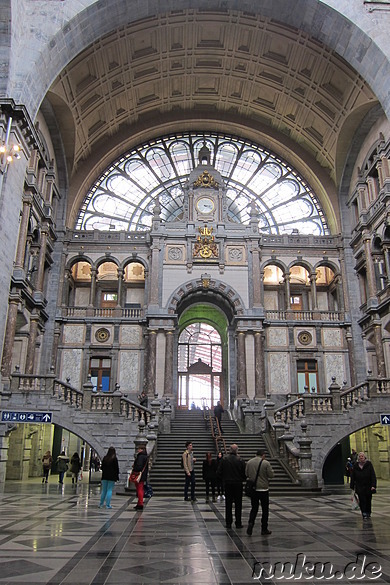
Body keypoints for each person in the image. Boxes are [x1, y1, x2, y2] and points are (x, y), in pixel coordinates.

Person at [245, 449, 274, 536]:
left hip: (253, 489)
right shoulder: (265, 463)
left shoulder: (249, 462)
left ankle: (251, 523)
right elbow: (271, 475)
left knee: (254, 508)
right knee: (265, 509)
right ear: (263, 455)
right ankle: (264, 528)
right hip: (263, 489)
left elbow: (246, 474)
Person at [217, 444, 246, 529]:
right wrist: (241, 479)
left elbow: (219, 472)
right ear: (237, 450)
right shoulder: (240, 460)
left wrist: (224, 478)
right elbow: (244, 473)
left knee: (228, 504)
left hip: (228, 483)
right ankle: (238, 522)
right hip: (238, 484)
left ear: (230, 450)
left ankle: (228, 523)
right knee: (238, 504)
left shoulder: (224, 459)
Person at [350, 451, 376, 519]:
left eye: (362, 456)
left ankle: (368, 512)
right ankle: (363, 512)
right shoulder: (355, 465)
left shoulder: (369, 464)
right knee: (362, 500)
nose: (361, 458)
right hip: (359, 486)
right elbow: (353, 476)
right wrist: (352, 486)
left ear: (365, 457)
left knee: (368, 499)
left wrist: (373, 485)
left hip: (368, 485)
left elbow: (373, 475)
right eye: (360, 456)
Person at [132, 445, 148, 510]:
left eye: (139, 449)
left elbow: (139, 466)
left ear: (142, 449)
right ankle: (139, 503)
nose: (138, 450)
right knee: (140, 488)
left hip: (139, 475)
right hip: (143, 475)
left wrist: (134, 468)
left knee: (139, 489)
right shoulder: (145, 456)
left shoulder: (141, 456)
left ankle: (140, 503)